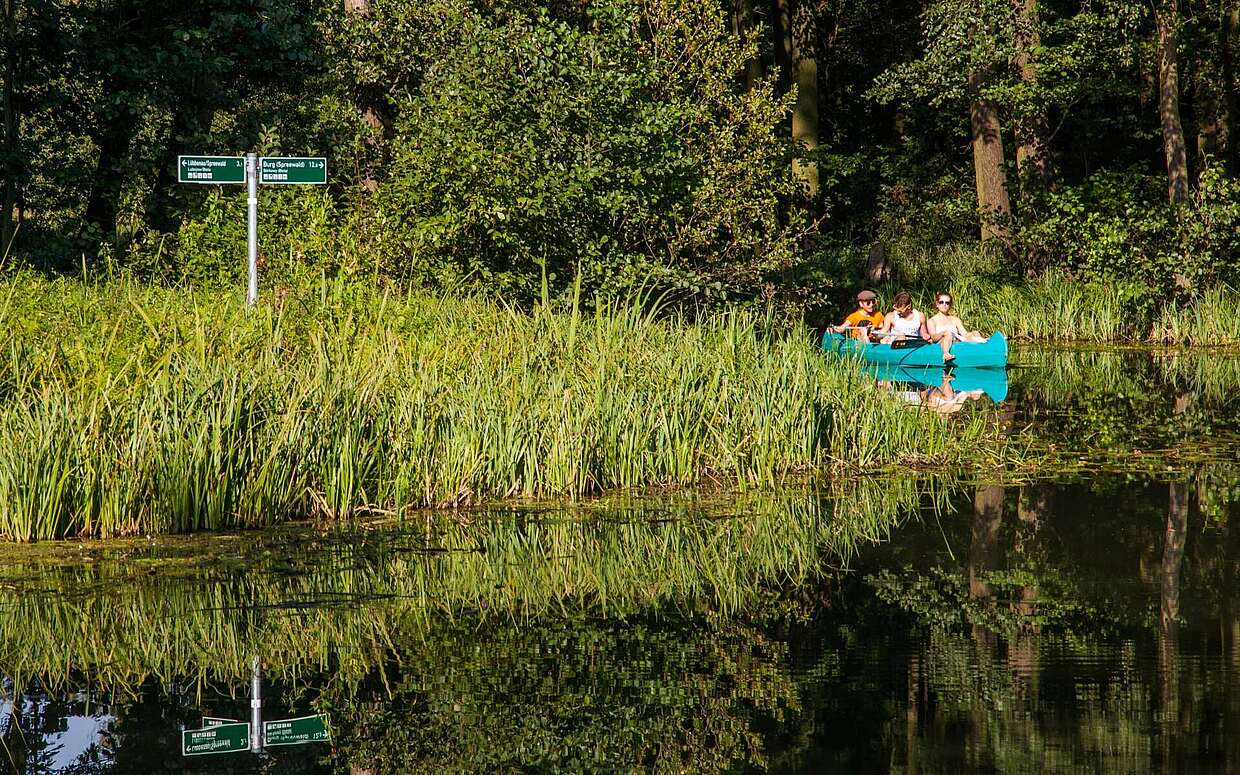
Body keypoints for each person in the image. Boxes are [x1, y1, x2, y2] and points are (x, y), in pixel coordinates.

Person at [927, 292, 986, 361]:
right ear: (937, 304)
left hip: (956, 341)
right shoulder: (932, 321)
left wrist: (974, 334)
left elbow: (965, 334)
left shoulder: (955, 319)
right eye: (941, 302)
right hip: (942, 342)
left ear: (950, 305)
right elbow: (934, 338)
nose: (944, 305)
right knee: (948, 334)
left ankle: (985, 344)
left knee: (975, 332)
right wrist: (943, 333)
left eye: (947, 303)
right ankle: (946, 354)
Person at [874, 290, 937, 354]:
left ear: (908, 307)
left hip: (913, 347)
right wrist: (875, 334)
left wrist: (927, 337)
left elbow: (924, 333)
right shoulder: (891, 316)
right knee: (901, 337)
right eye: (896, 310)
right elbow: (883, 332)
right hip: (895, 347)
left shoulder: (920, 316)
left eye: (900, 311)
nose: (898, 313)